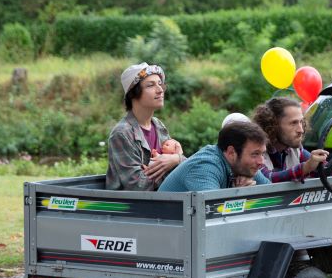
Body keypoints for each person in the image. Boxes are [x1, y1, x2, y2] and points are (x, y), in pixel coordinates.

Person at [252, 97, 332, 183]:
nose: (301, 129)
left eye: (301, 122)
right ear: (272, 125)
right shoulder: (255, 150)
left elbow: (328, 172)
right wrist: (306, 167)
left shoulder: (296, 150)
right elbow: (267, 179)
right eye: (293, 123)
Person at [105, 63, 185, 191]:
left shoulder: (158, 126)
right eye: (151, 85)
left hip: (159, 203)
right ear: (134, 93)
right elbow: (138, 185)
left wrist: (176, 159)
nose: (160, 90)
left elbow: (180, 165)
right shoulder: (122, 133)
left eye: (160, 84)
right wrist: (169, 167)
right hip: (129, 207)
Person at [158, 121, 271, 192]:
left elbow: (273, 196)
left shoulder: (247, 166)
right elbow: (214, 213)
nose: (261, 162)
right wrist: (239, 194)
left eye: (262, 153)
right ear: (231, 152)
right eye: (255, 154)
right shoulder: (205, 167)